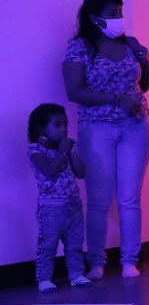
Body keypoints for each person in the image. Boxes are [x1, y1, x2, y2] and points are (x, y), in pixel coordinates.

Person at [62, 0, 149, 279]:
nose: (119, 18)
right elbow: (74, 91)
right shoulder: (79, 48)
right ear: (94, 17)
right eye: (113, 13)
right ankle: (97, 263)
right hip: (96, 127)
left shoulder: (131, 44)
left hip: (135, 126)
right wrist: (117, 98)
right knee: (99, 199)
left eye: (120, 12)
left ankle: (129, 260)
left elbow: (145, 84)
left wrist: (146, 59)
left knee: (129, 198)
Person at [27, 104, 91, 292]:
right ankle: (44, 278)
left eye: (65, 124)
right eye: (57, 125)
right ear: (41, 129)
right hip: (50, 207)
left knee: (75, 243)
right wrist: (62, 152)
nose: (63, 129)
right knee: (48, 244)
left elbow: (81, 172)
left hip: (73, 204)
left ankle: (76, 274)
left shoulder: (66, 149)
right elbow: (48, 171)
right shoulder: (36, 150)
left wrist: (72, 153)